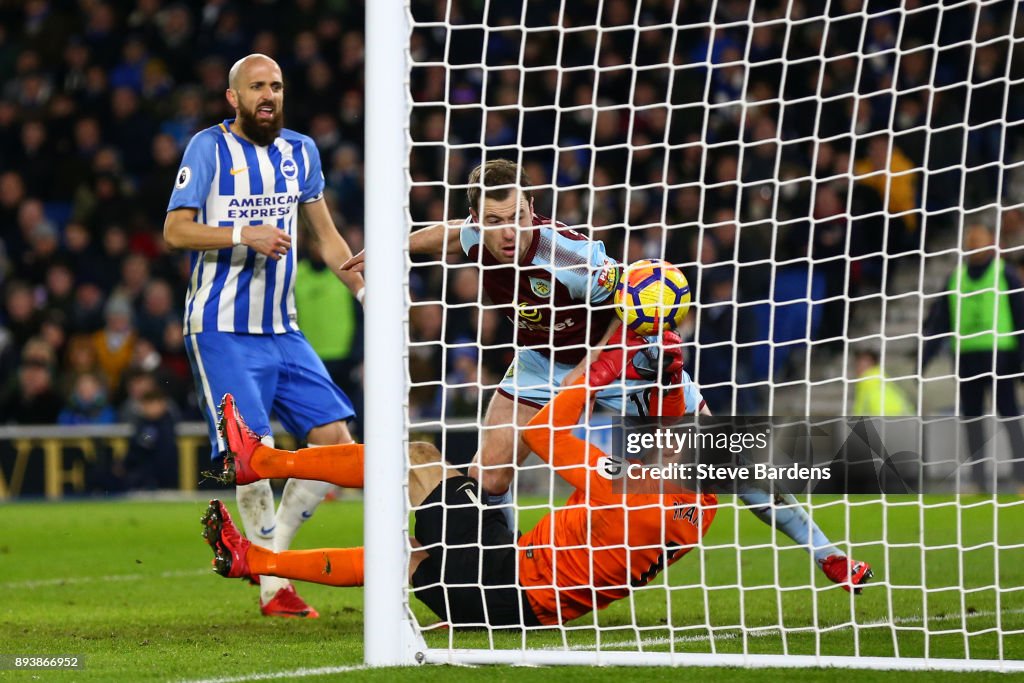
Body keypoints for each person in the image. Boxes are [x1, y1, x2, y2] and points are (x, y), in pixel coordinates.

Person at [344, 160, 870, 590]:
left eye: (517, 216)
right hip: (535, 365)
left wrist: (614, 355)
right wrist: (391, 247)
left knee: (728, 460)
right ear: (477, 220)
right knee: (491, 477)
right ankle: (499, 580)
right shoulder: (478, 238)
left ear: (532, 208)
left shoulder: (569, 257)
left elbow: (636, 294)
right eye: (495, 220)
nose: (509, 231)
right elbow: (441, 238)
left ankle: (828, 554)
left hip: (614, 364)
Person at [202, 331, 718, 626]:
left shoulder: (625, 488)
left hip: (505, 577)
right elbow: (676, 432)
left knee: (419, 461)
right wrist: (670, 380)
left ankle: (264, 464)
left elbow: (542, 431)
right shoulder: (700, 507)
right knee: (407, 552)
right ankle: (257, 559)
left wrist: (595, 375)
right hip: (518, 602)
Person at [163, 53, 365, 618]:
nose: (268, 95)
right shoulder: (208, 148)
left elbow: (326, 237)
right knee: (254, 455)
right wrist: (241, 234)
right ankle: (276, 587)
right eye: (256, 87)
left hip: (284, 330)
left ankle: (264, 558)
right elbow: (175, 230)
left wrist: (367, 294)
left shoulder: (302, 151)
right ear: (234, 98)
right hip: (222, 327)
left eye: (276, 85)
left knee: (338, 449)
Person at [922, 224, 1024, 490]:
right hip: (966, 357)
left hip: (1000, 357)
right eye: (972, 238)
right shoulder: (955, 279)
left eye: (980, 237)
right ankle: (979, 480)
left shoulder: (1005, 273)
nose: (975, 241)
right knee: (972, 419)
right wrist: (925, 357)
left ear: (991, 242)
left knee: (1009, 413)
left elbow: (1020, 315)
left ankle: (1021, 475)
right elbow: (939, 321)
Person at [851, 348, 914, 416]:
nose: (859, 368)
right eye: (858, 365)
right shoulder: (877, 381)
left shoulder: (872, 382)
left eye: (863, 364)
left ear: (873, 364)